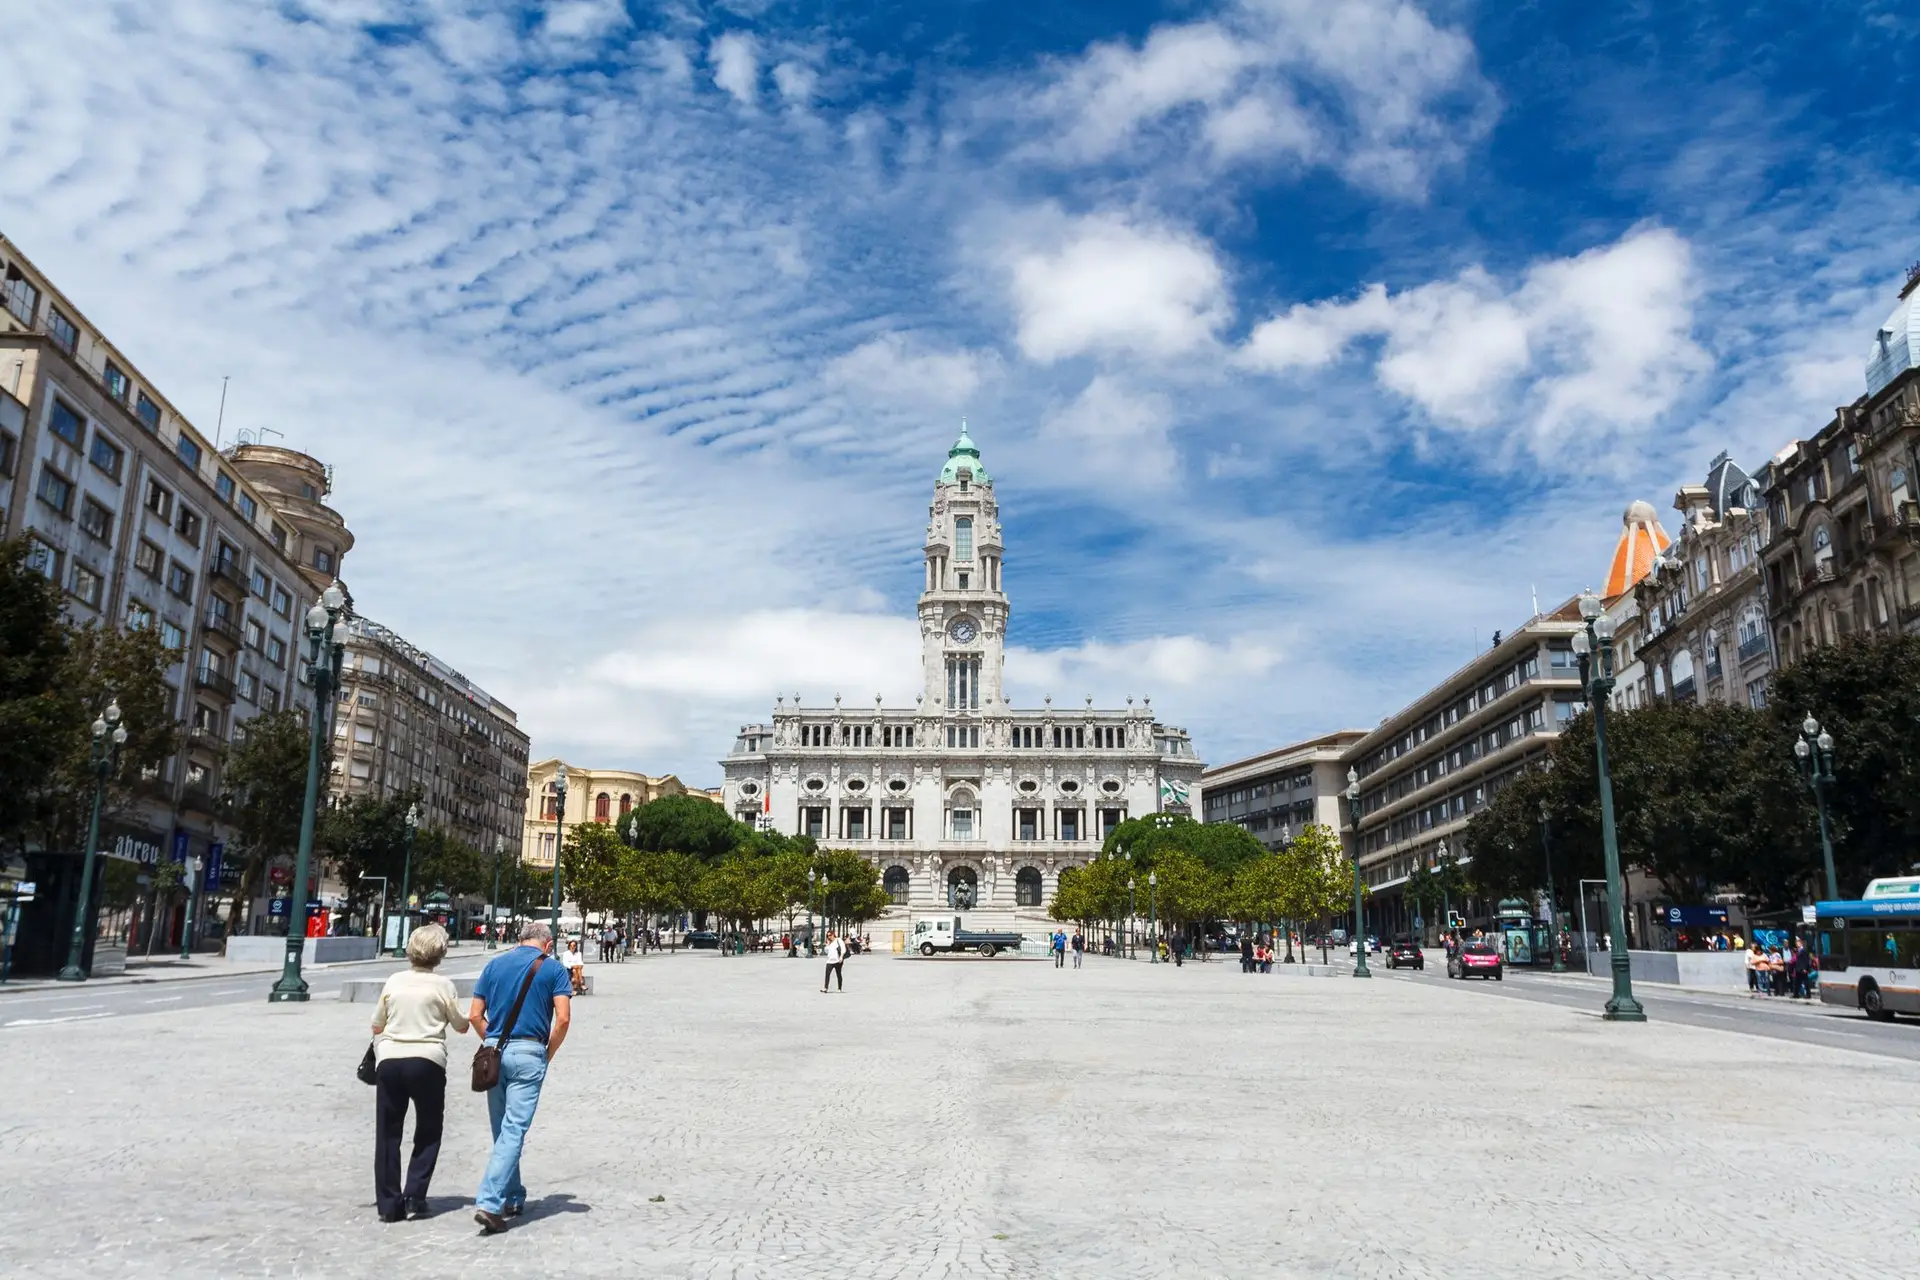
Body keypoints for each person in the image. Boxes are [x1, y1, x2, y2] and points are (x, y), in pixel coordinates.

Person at [469, 920, 573, 1234]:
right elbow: (564, 1018)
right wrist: (547, 1053)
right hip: (530, 1052)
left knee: (502, 1129)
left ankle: (513, 1196)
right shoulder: (554, 969)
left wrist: (494, 1042)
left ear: (520, 939)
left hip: (494, 1055)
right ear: (549, 943)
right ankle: (490, 1202)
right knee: (514, 1130)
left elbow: (474, 1013)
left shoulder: (494, 965)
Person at [369, 923, 469, 1223]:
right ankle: (415, 1193)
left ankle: (389, 1204)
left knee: (387, 1133)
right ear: (440, 954)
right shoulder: (443, 986)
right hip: (427, 1061)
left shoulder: (394, 981)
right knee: (428, 1129)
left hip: (389, 1061)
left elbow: (377, 1024)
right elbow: (460, 1024)